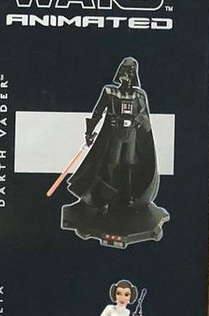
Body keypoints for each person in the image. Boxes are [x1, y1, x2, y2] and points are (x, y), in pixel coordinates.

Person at [67, 58, 159, 214]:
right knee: (111, 164)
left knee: (128, 163)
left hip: (131, 133)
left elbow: (144, 117)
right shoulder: (110, 92)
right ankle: (106, 198)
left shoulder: (139, 95)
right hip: (114, 133)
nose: (126, 76)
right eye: (124, 71)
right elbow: (98, 112)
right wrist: (89, 132)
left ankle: (126, 197)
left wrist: (138, 122)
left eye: (130, 72)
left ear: (134, 75)